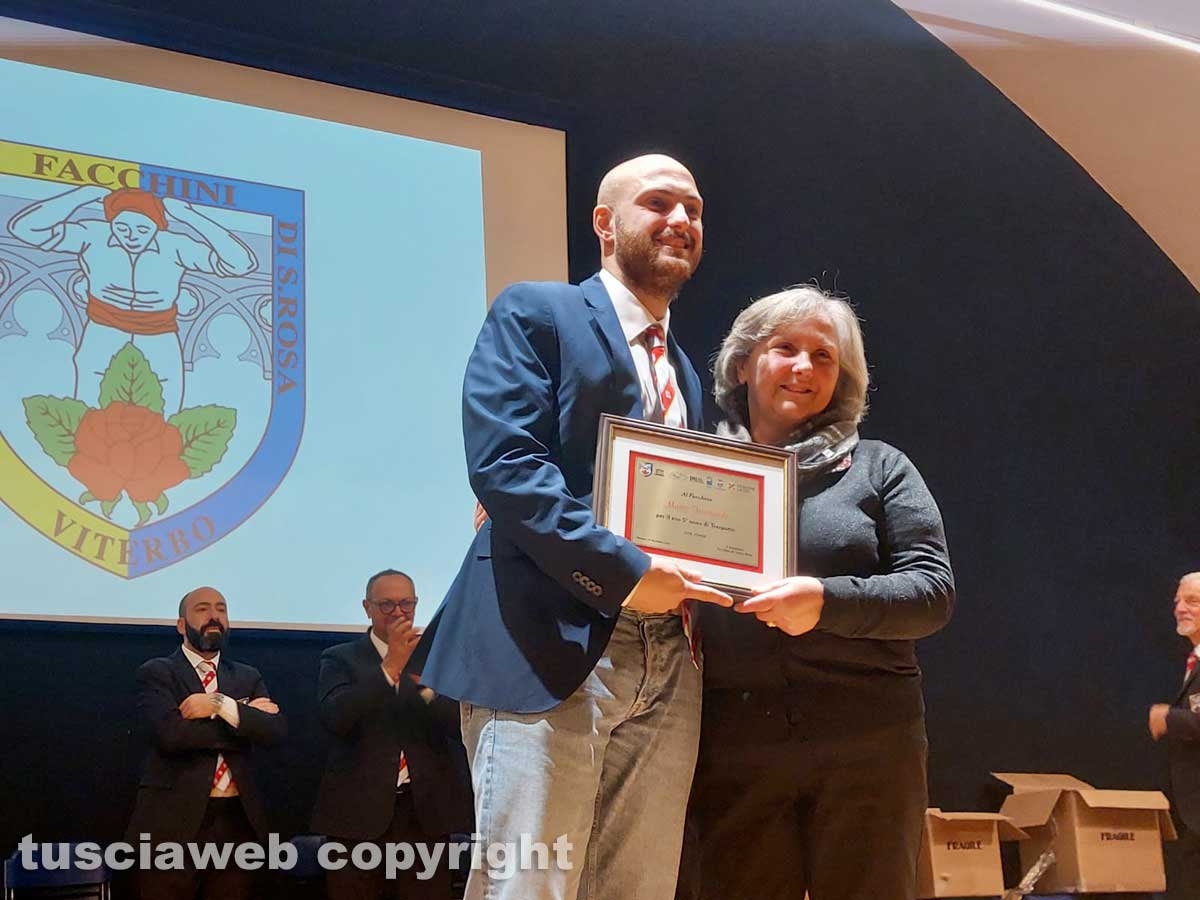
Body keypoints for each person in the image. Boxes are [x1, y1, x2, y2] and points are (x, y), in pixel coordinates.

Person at [409, 153, 733, 900]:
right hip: (546, 639)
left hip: (668, 657)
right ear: (604, 224)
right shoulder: (538, 311)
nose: (681, 220)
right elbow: (506, 466)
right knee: (529, 888)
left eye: (694, 209)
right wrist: (627, 574)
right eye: (659, 203)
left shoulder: (684, 371)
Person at [683, 286, 955, 900]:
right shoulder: (698, 471)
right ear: (743, 363)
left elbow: (932, 592)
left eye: (824, 356)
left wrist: (827, 602)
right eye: (785, 348)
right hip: (736, 745)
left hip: (870, 744)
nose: (804, 367)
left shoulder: (881, 467)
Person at [7, 185, 258, 413]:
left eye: (142, 229)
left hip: (158, 333)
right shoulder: (93, 235)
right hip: (103, 328)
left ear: (157, 227)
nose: (131, 236)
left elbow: (241, 264)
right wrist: (80, 196)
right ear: (112, 223)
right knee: (90, 396)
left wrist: (191, 217)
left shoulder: (175, 246)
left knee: (165, 399)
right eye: (122, 227)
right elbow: (24, 229)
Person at [311, 569, 474, 900]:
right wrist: (389, 669)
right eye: (387, 605)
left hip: (426, 815)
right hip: (356, 818)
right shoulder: (340, 658)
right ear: (367, 607)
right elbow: (336, 717)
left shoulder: (435, 658)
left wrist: (424, 687)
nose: (398, 613)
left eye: (406, 604)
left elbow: (461, 728)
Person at [127, 586, 286, 900]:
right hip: (172, 824)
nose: (214, 616)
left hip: (237, 824)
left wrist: (219, 704)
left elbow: (274, 731)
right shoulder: (158, 672)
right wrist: (243, 720)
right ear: (181, 625)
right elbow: (172, 735)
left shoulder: (247, 676)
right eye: (202, 609)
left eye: (221, 609)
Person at [1149, 571, 1200, 899]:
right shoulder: (1193, 661)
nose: (1180, 608)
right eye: (1177, 601)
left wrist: (1170, 717)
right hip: (1189, 813)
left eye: (1192, 601)